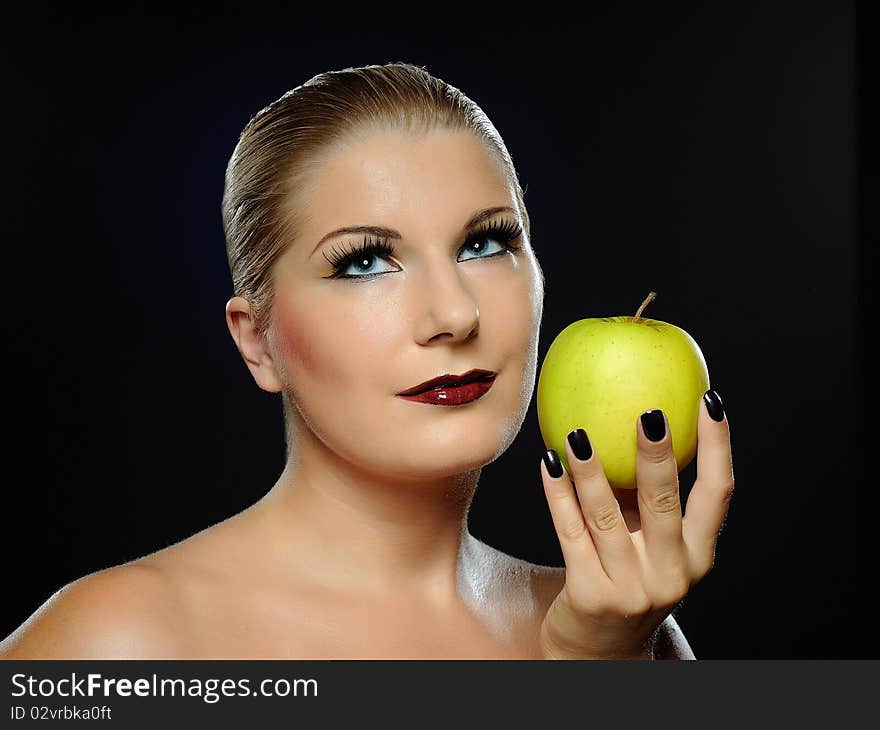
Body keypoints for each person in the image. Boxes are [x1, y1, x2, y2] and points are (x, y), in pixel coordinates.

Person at [1, 62, 732, 659]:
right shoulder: (120, 643)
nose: (454, 315)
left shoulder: (627, 635)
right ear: (257, 341)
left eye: (486, 244)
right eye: (365, 262)